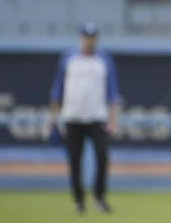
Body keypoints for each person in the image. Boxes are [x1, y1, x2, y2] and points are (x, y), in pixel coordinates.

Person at [44, 23, 121, 215]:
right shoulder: (69, 58)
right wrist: (52, 119)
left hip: (97, 117)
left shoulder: (104, 60)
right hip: (73, 116)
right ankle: (79, 200)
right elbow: (57, 91)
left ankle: (99, 197)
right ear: (80, 38)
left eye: (92, 37)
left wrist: (113, 121)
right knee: (75, 161)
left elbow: (112, 94)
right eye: (86, 37)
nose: (89, 41)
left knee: (102, 157)